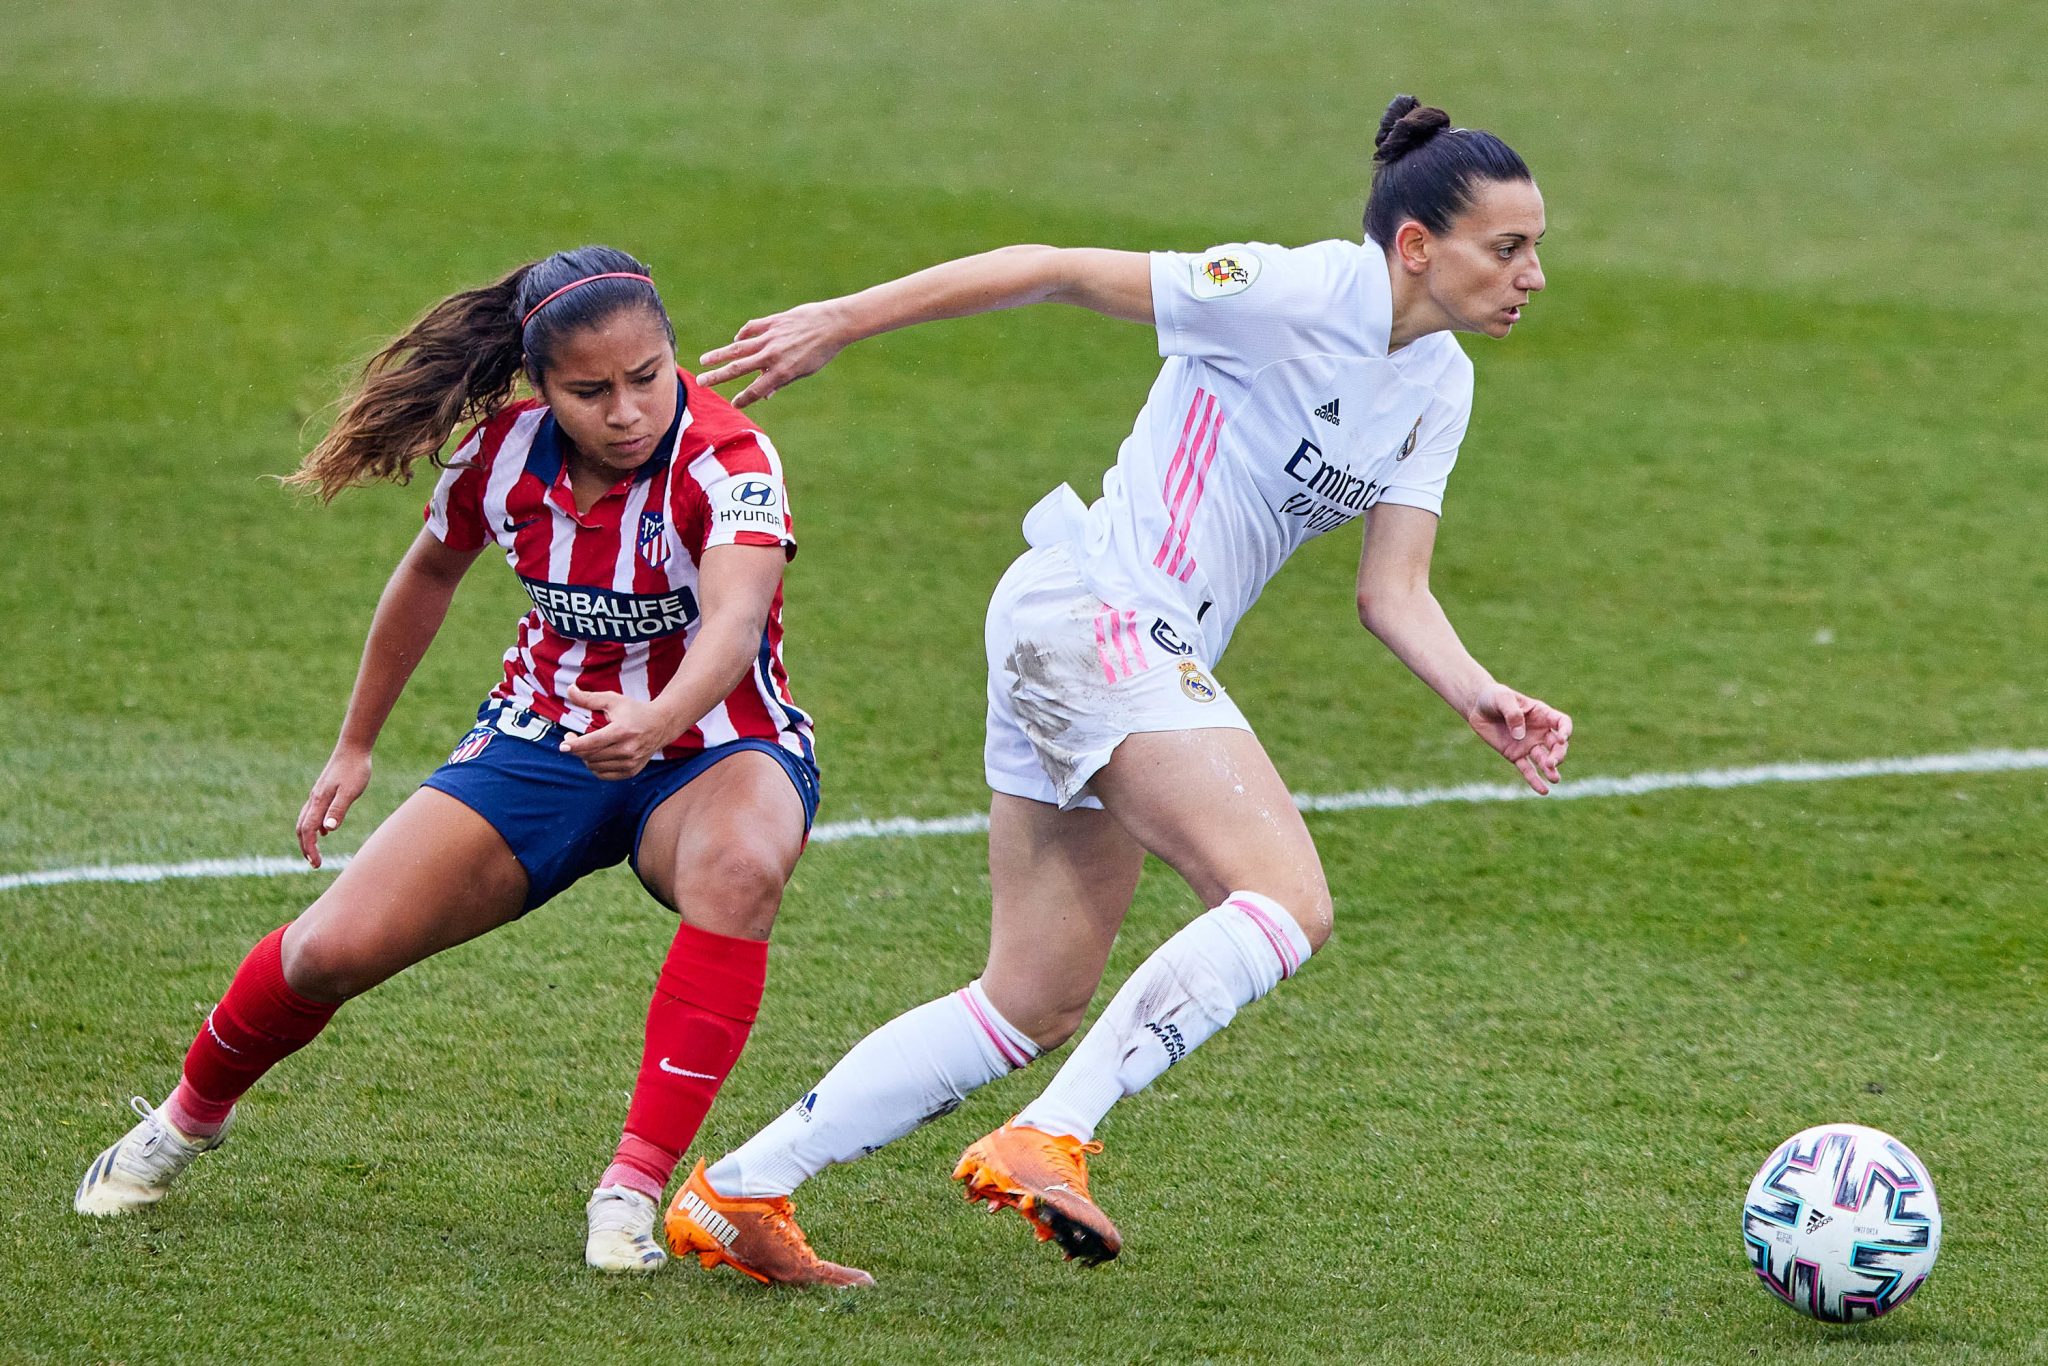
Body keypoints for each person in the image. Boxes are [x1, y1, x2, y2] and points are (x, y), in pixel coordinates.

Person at [660, 96, 1573, 1283]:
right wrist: (844, 317)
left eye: (1534, 247)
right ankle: (1053, 1132)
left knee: (1030, 996)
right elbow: (1051, 270)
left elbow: (1390, 589)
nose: (1533, 275)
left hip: (1109, 642)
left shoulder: (1438, 383)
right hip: (1095, 615)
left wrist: (1478, 692)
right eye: (1507, 248)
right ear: (1414, 245)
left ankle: (739, 1190)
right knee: (1283, 900)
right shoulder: (1287, 291)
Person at [71, 246, 870, 1285]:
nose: (627, 410)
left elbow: (734, 622)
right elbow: (427, 574)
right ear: (541, 389)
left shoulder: (731, 459)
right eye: (591, 391)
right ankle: (184, 1120)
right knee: (326, 951)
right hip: (540, 741)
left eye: (649, 376)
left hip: (718, 744)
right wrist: (355, 744)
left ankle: (630, 1187)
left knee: (740, 867)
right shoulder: (498, 455)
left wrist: (657, 715)